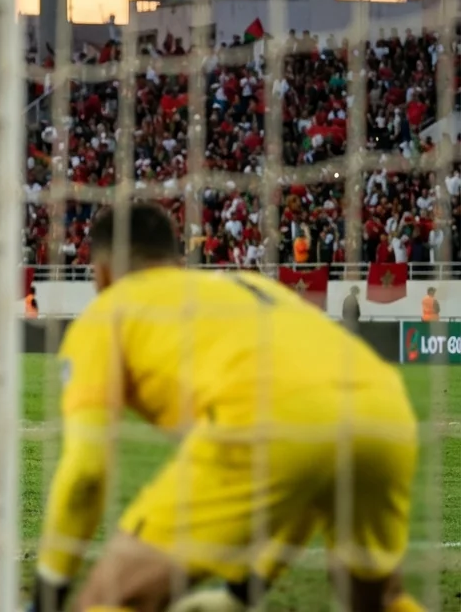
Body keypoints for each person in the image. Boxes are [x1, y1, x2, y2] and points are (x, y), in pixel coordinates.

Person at [29, 203, 422, 612]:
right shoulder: (250, 286)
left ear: (102, 273)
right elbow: (310, 469)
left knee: (109, 600)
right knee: (379, 599)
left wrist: (47, 595)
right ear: (177, 263)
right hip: (383, 409)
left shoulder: (106, 314)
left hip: (263, 421)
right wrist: (244, 592)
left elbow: (87, 472)